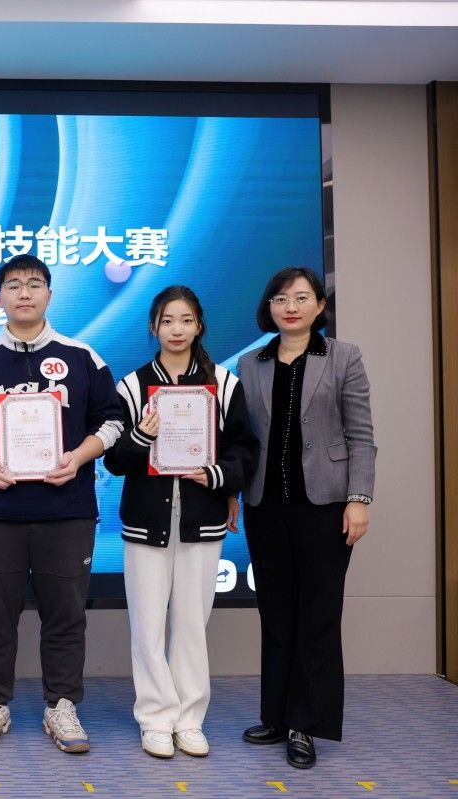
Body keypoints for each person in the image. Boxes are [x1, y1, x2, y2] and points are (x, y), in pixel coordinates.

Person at [0, 253, 123, 752]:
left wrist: (78, 456)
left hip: (66, 511)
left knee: (65, 615)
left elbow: (112, 421)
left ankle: (61, 705)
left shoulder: (82, 358)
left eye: (34, 284)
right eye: (13, 285)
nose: (24, 293)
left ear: (49, 293)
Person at [103, 285, 258, 758]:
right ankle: (155, 718)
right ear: (154, 326)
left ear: (199, 326)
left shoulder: (224, 384)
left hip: (201, 519)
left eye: (186, 320)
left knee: (192, 623)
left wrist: (217, 476)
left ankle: (189, 719)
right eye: (167, 320)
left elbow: (244, 449)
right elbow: (114, 461)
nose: (176, 329)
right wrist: (140, 435)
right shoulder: (132, 387)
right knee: (147, 624)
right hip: (146, 521)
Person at [237, 267, 375, 769]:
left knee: (318, 617)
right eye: (280, 298)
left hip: (326, 507)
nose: (290, 307)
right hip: (265, 506)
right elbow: (244, 440)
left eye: (300, 298)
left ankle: (305, 723)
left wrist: (359, 498)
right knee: (275, 614)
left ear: (319, 305)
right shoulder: (251, 363)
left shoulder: (343, 356)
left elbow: (361, 435)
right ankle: (275, 715)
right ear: (269, 307)